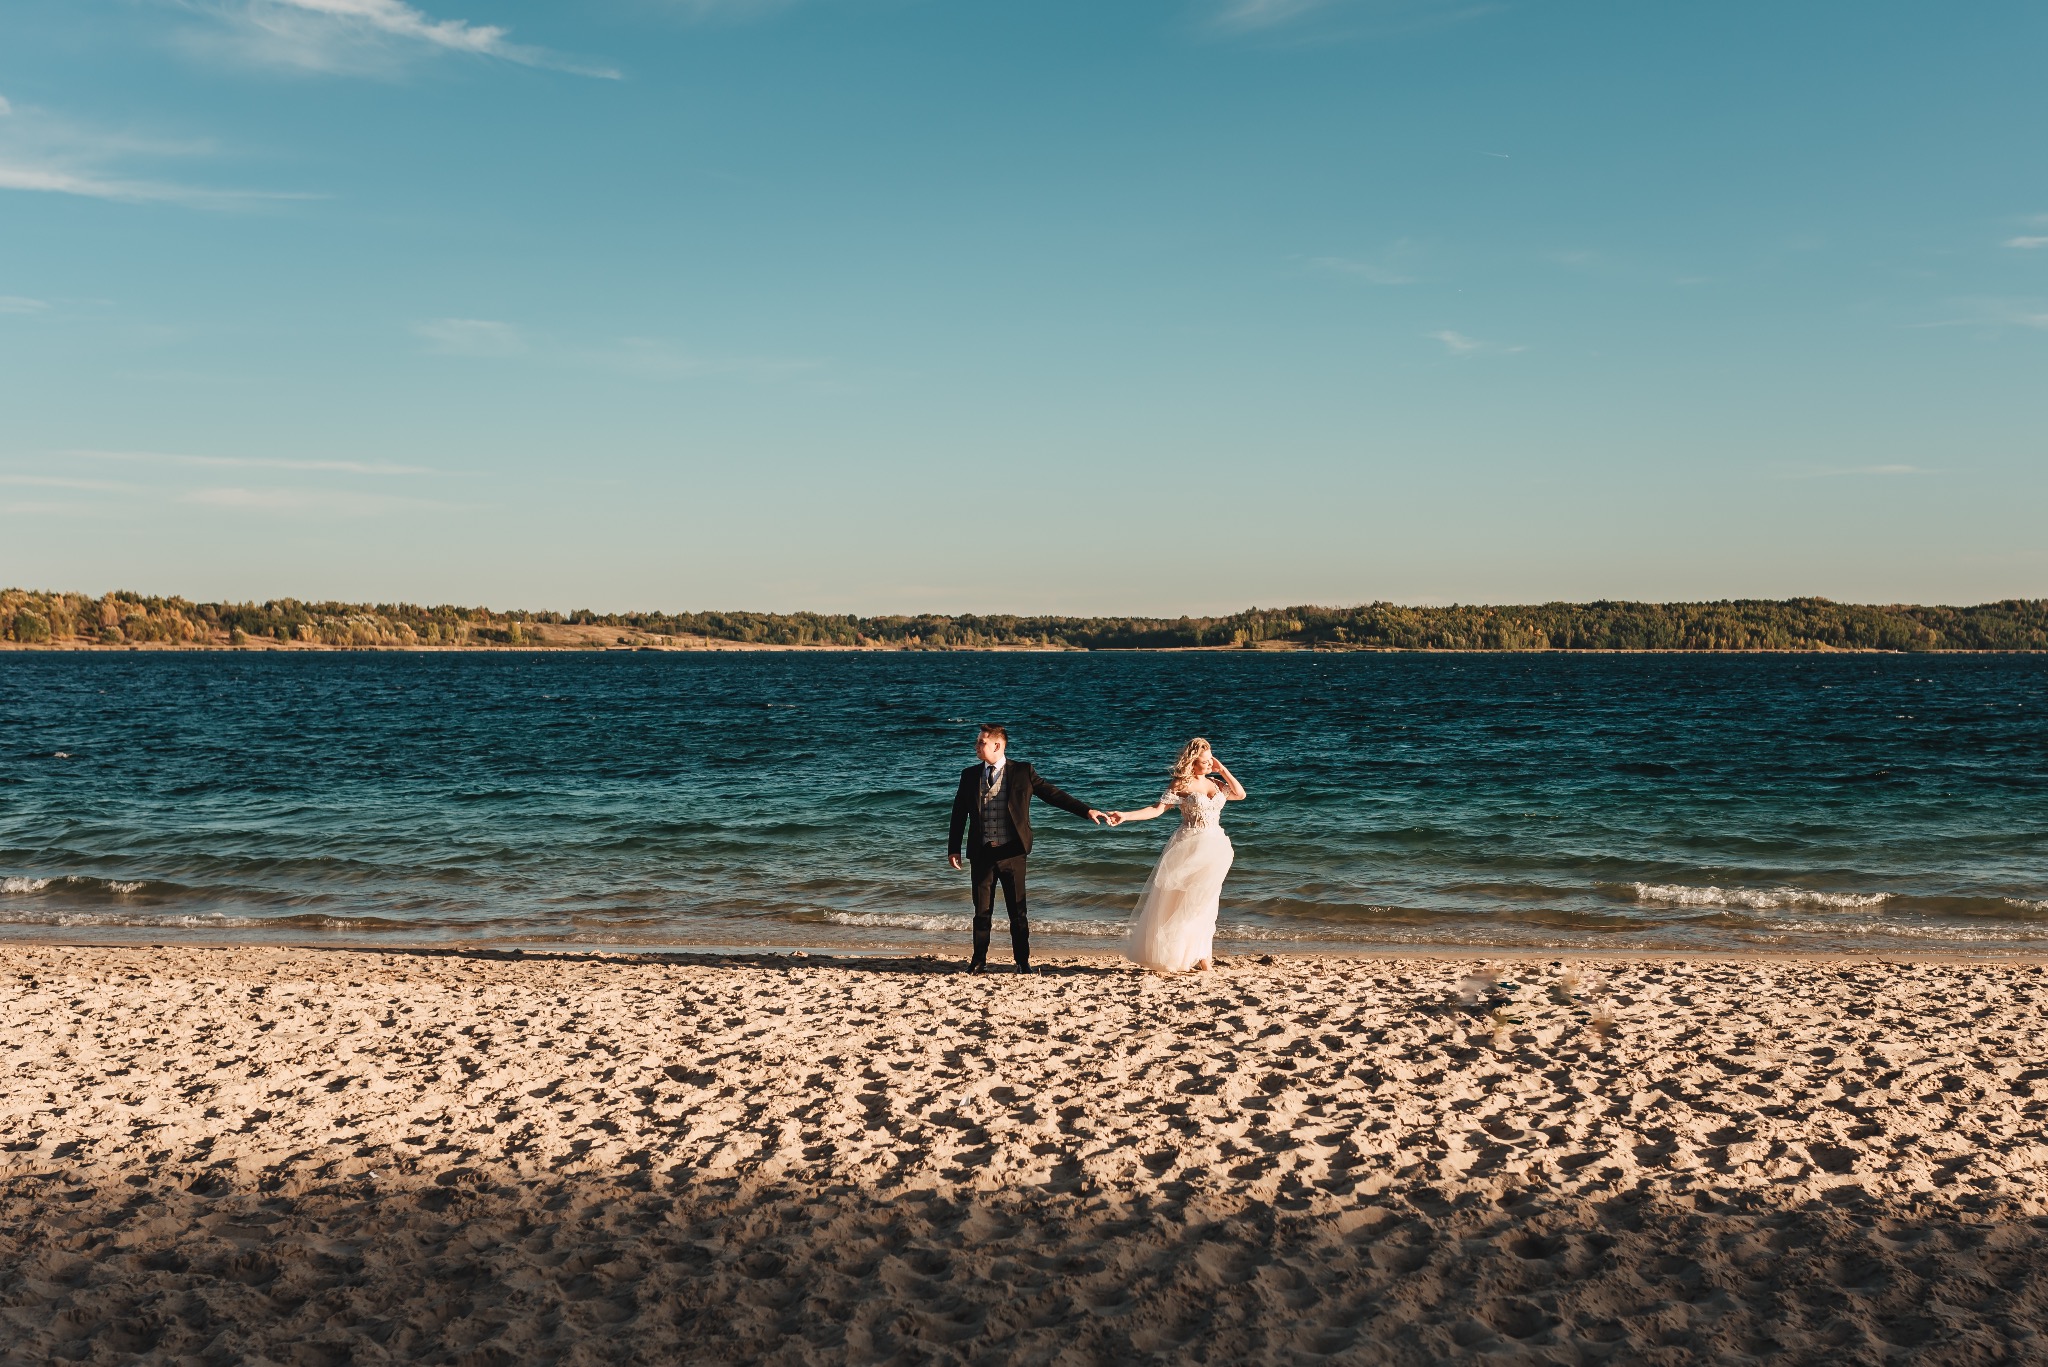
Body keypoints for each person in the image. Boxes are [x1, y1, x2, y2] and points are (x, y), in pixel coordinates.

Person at [947, 724, 1109, 974]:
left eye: (981, 742)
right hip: (981, 853)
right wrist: (953, 848)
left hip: (1013, 853)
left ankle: (1022, 962)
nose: (976, 746)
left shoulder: (1023, 771)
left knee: (1017, 912)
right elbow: (959, 814)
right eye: (978, 742)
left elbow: (1053, 794)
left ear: (997, 746)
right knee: (981, 912)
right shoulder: (969, 775)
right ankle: (978, 961)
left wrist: (1085, 811)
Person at [1108, 737, 1247, 973]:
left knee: (1207, 904)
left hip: (1217, 849)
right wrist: (1126, 815)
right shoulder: (1181, 784)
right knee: (1187, 904)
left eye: (1210, 759)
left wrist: (1222, 769)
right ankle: (1187, 956)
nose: (1209, 763)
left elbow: (1240, 794)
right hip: (1190, 847)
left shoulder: (1215, 783)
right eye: (1204, 761)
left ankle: (1203, 959)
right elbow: (1156, 810)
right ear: (1193, 761)